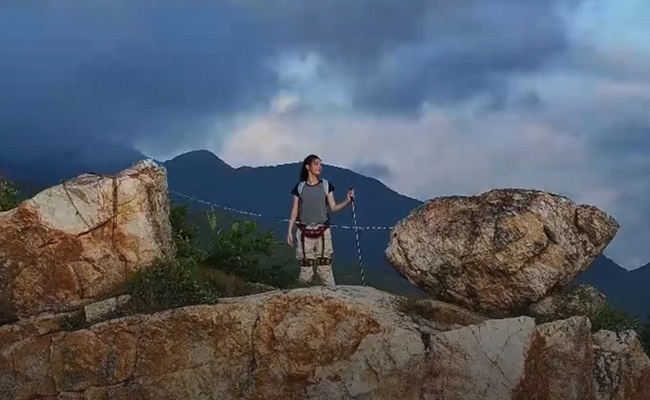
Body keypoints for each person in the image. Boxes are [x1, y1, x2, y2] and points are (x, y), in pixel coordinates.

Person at [287, 154, 354, 286]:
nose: (319, 167)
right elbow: (295, 210)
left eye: (320, 164)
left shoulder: (326, 185)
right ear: (308, 167)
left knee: (325, 267)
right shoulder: (299, 188)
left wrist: (347, 200)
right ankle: (303, 294)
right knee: (306, 267)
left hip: (322, 230)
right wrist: (290, 231)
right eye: (316, 164)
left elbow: (333, 207)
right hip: (304, 230)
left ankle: (332, 294)